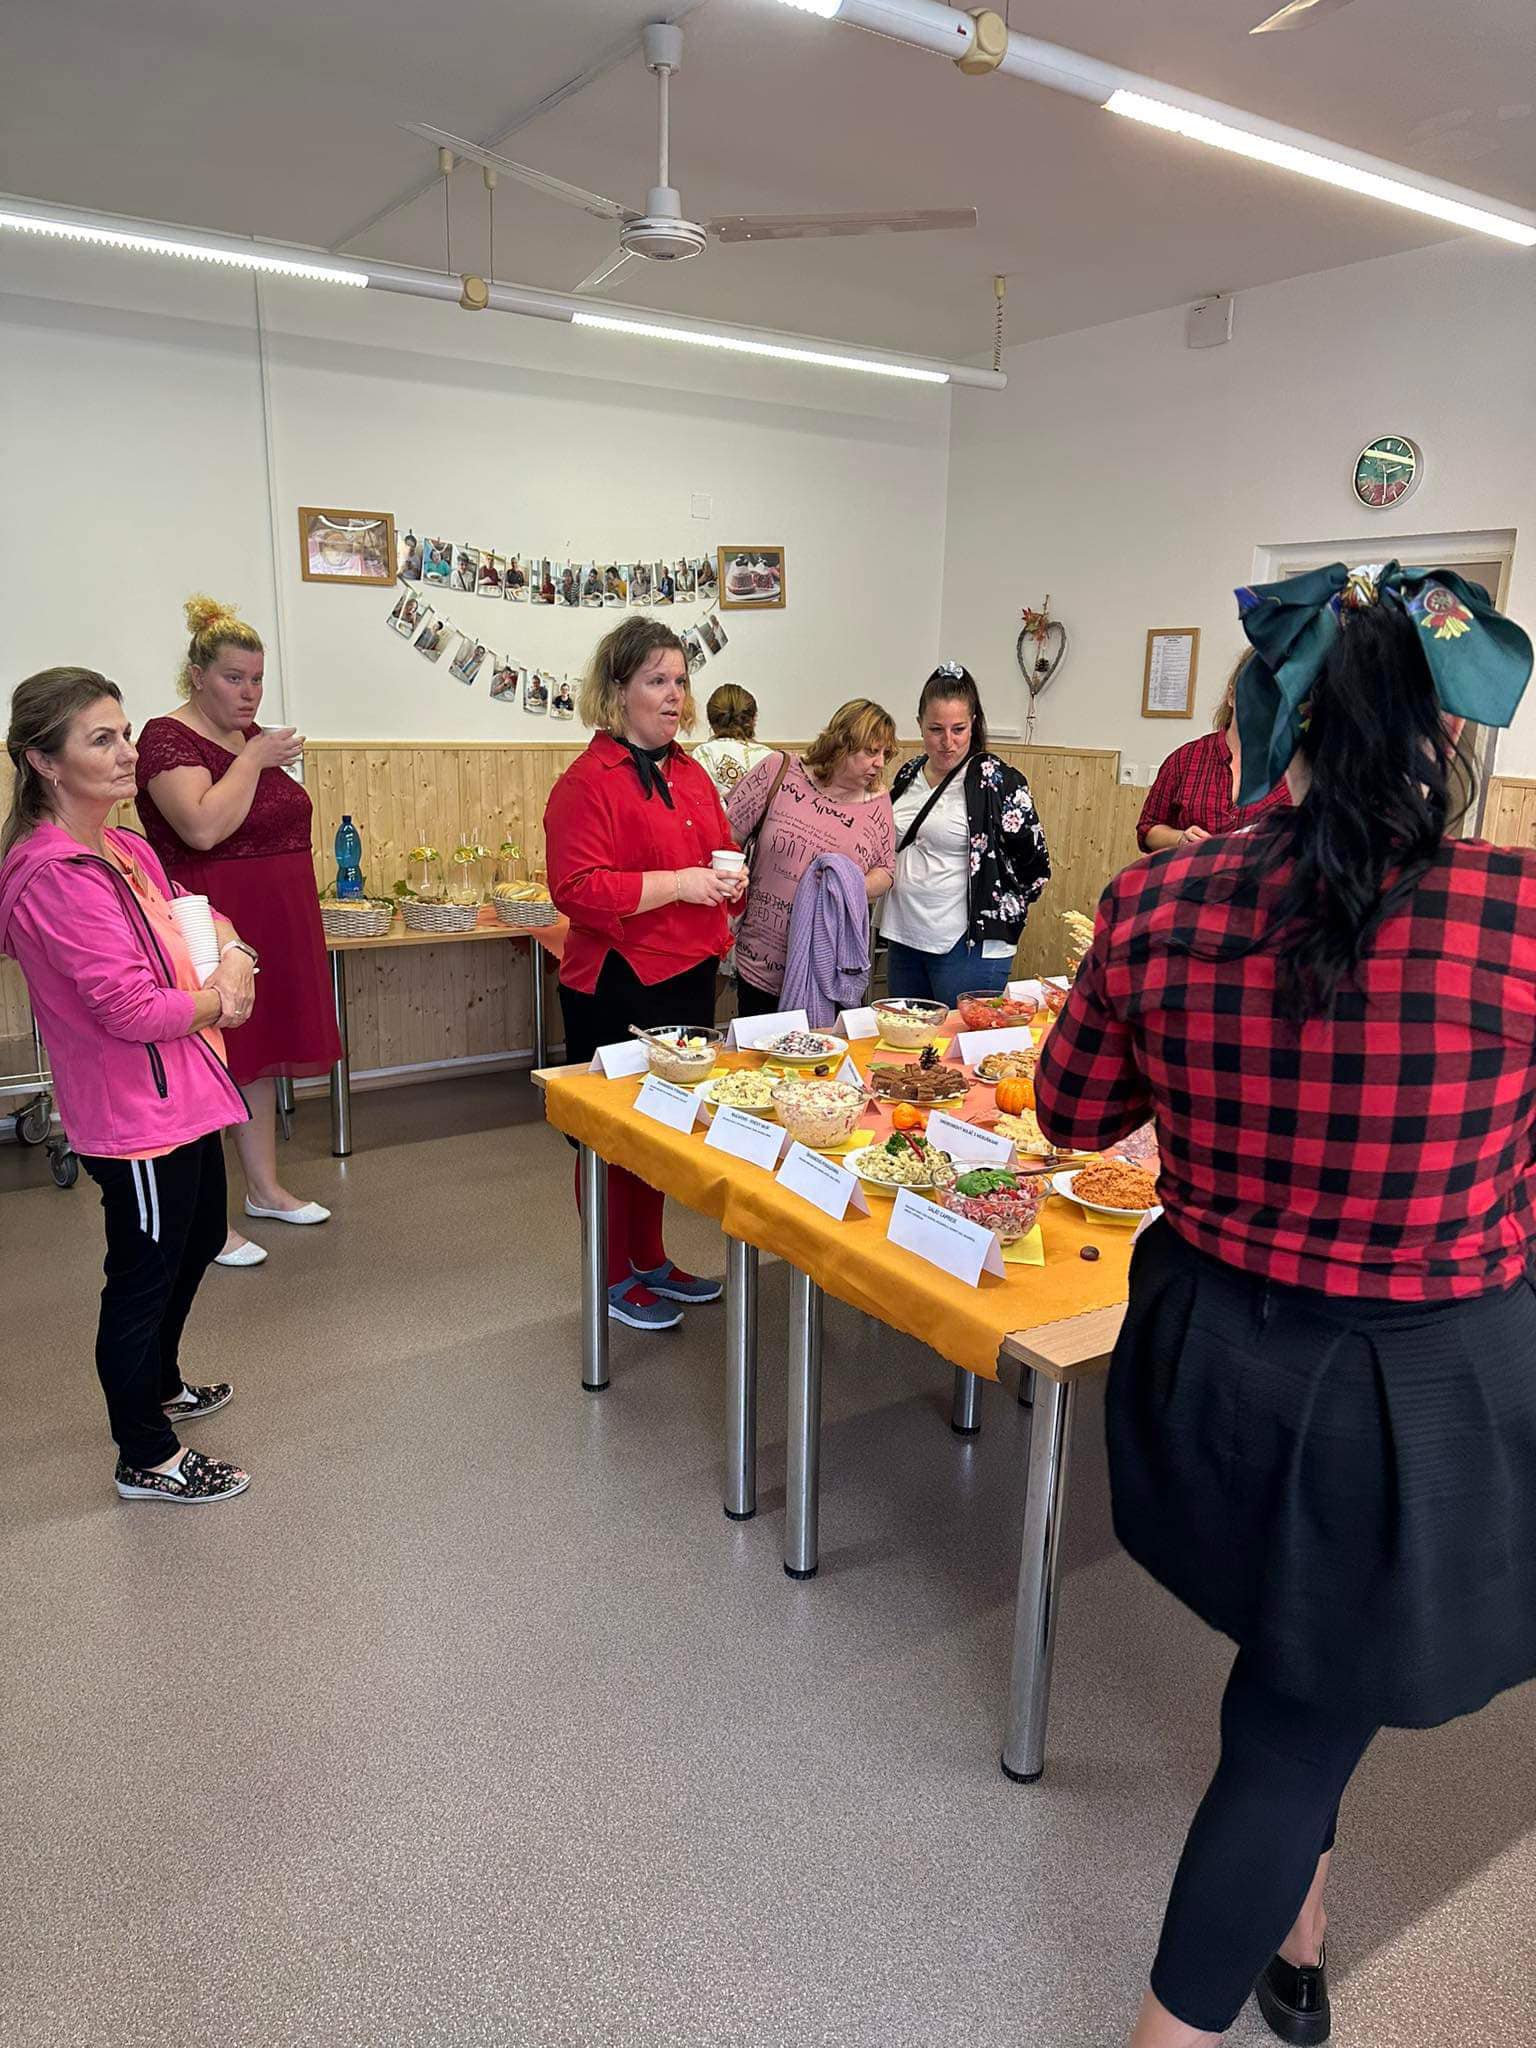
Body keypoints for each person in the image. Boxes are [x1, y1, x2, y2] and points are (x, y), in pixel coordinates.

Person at [1034, 562, 1536, 2048]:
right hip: (1409, 1397)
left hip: (1208, 1368)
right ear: (1449, 736)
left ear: (1273, 724)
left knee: (1297, 1667)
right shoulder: (1516, 917)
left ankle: (1300, 1935)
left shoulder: (1157, 899)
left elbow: (1072, 1113)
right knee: (1295, 1723)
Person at [1, 668, 258, 1502]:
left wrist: (235, 954)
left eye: (126, 733)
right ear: (44, 762)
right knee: (142, 1277)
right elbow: (131, 1009)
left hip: (188, 1089)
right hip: (135, 1115)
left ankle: (162, 1383)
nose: (127, 753)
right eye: (102, 739)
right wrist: (223, 999)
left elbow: (198, 912)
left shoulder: (126, 846)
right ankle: (145, 1454)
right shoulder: (55, 874)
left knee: (196, 1239)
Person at [544, 617, 744, 1332]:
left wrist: (728, 881)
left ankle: (650, 1258)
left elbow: (718, 853)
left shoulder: (691, 774)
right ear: (617, 690)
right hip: (616, 981)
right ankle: (608, 1273)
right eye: (657, 680)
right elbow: (577, 890)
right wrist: (680, 884)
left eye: (680, 680)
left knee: (660, 1127)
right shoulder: (585, 782)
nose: (674, 695)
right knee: (608, 1134)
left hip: (689, 973)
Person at [133, 596, 340, 1268]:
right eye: (233, 678)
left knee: (258, 1052)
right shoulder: (168, 738)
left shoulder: (253, 738)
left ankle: (264, 1189)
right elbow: (200, 828)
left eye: (257, 679)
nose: (249, 692)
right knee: (212, 1058)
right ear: (197, 676)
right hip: (209, 919)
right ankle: (206, 1220)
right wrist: (252, 759)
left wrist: (253, 752)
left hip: (280, 913)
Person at [882, 661, 1051, 1008]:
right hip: (904, 934)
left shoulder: (996, 780)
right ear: (919, 725)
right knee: (906, 1037)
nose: (948, 742)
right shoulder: (909, 772)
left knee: (962, 1037)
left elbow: (1034, 863)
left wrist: (1003, 908)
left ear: (973, 723)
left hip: (966, 946)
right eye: (935, 729)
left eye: (958, 729)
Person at [725, 700, 896, 1014]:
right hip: (760, 962)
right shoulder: (778, 770)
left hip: (826, 971)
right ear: (841, 743)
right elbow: (727, 835)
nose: (880, 763)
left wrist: (847, 884)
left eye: (886, 753)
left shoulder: (877, 803)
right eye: (871, 752)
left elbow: (886, 871)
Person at [1137, 654, 1291, 853]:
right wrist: (1180, 839)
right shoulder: (1186, 759)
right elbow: (1148, 829)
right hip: (1191, 872)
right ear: (1232, 697)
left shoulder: (1294, 771)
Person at [691, 684, 773, 799]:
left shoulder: (704, 753)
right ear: (754, 719)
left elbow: (702, 801)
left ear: (711, 720)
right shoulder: (771, 757)